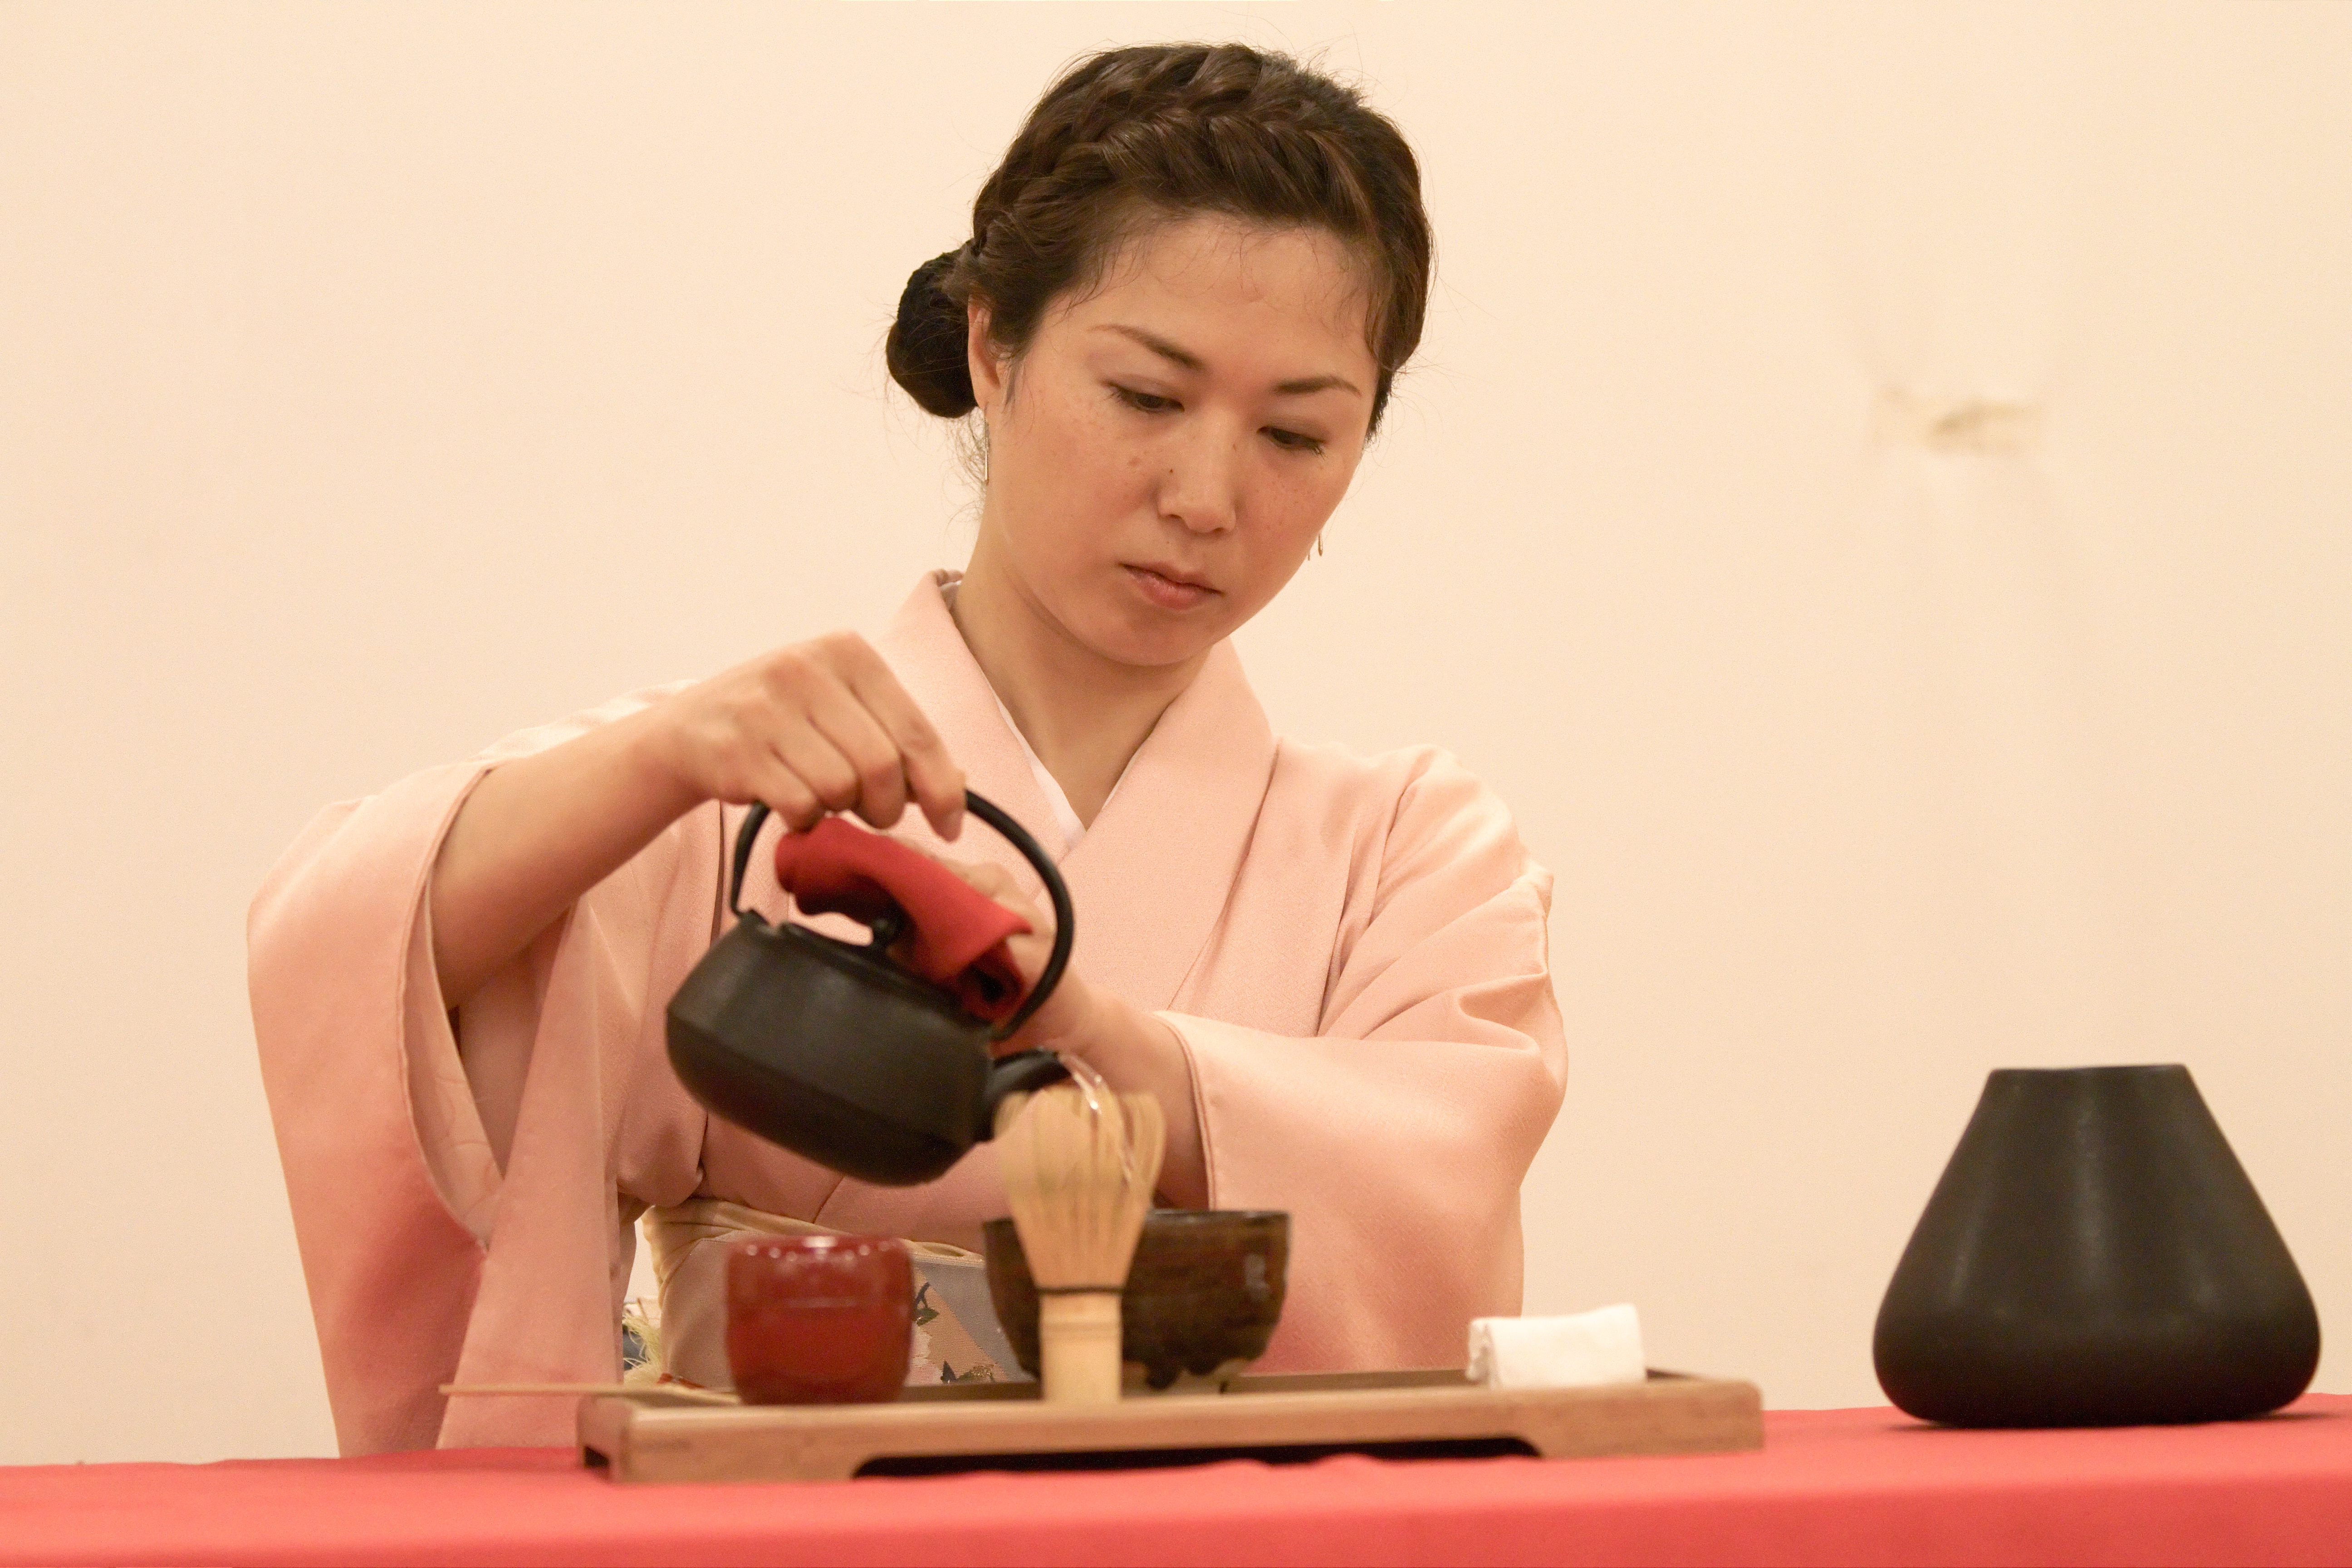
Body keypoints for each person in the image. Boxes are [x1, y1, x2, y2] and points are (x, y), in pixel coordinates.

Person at [250, 41, 1567, 1455]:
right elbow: (358, 946)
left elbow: (1437, 1204)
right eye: (1146, 397)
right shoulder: (740, 792)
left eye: (1297, 434)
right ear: (994, 347)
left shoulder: (1411, 850)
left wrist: (1081, 1032)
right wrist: (655, 761)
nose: (1205, 496)